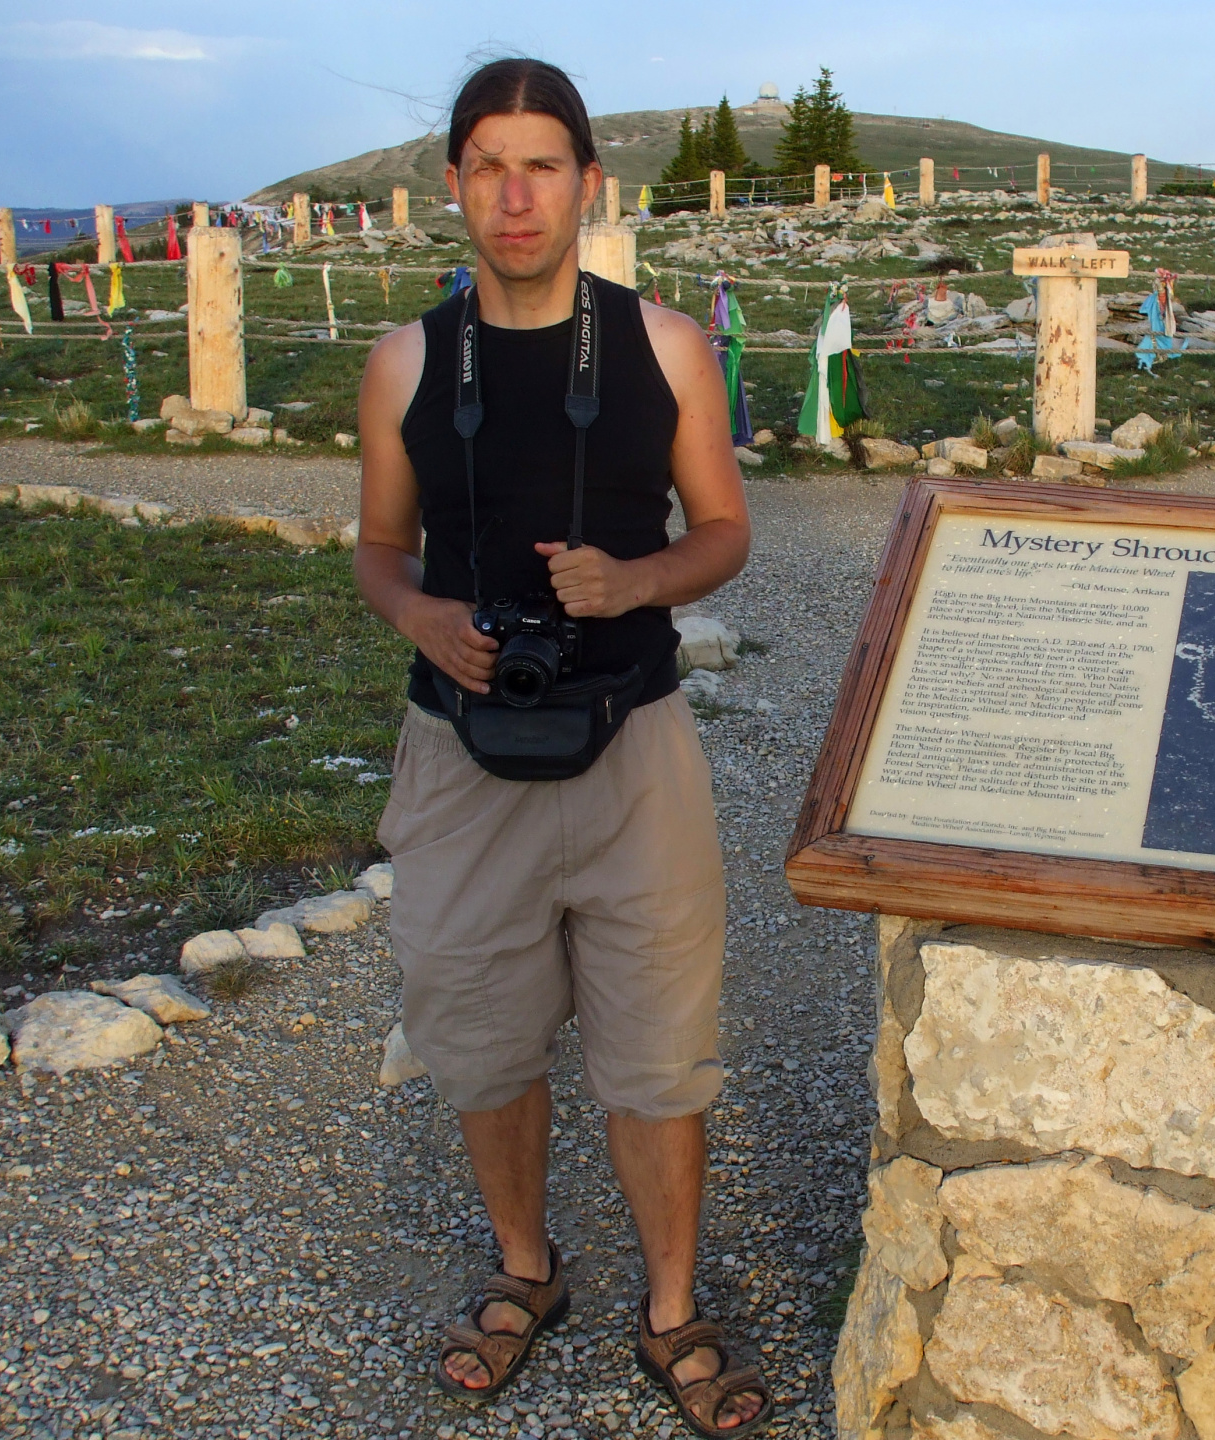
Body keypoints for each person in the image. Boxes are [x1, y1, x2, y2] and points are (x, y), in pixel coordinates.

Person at [352, 57, 770, 1435]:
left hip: (634, 741)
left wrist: (632, 583)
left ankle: (670, 1306)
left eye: (543, 166)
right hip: (460, 749)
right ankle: (526, 1273)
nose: (516, 196)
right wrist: (423, 618)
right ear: (455, 185)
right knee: (482, 1037)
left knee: (660, 1047)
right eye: (488, 165)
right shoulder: (407, 362)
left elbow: (723, 532)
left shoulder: (663, 347)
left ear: (592, 184)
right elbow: (378, 548)